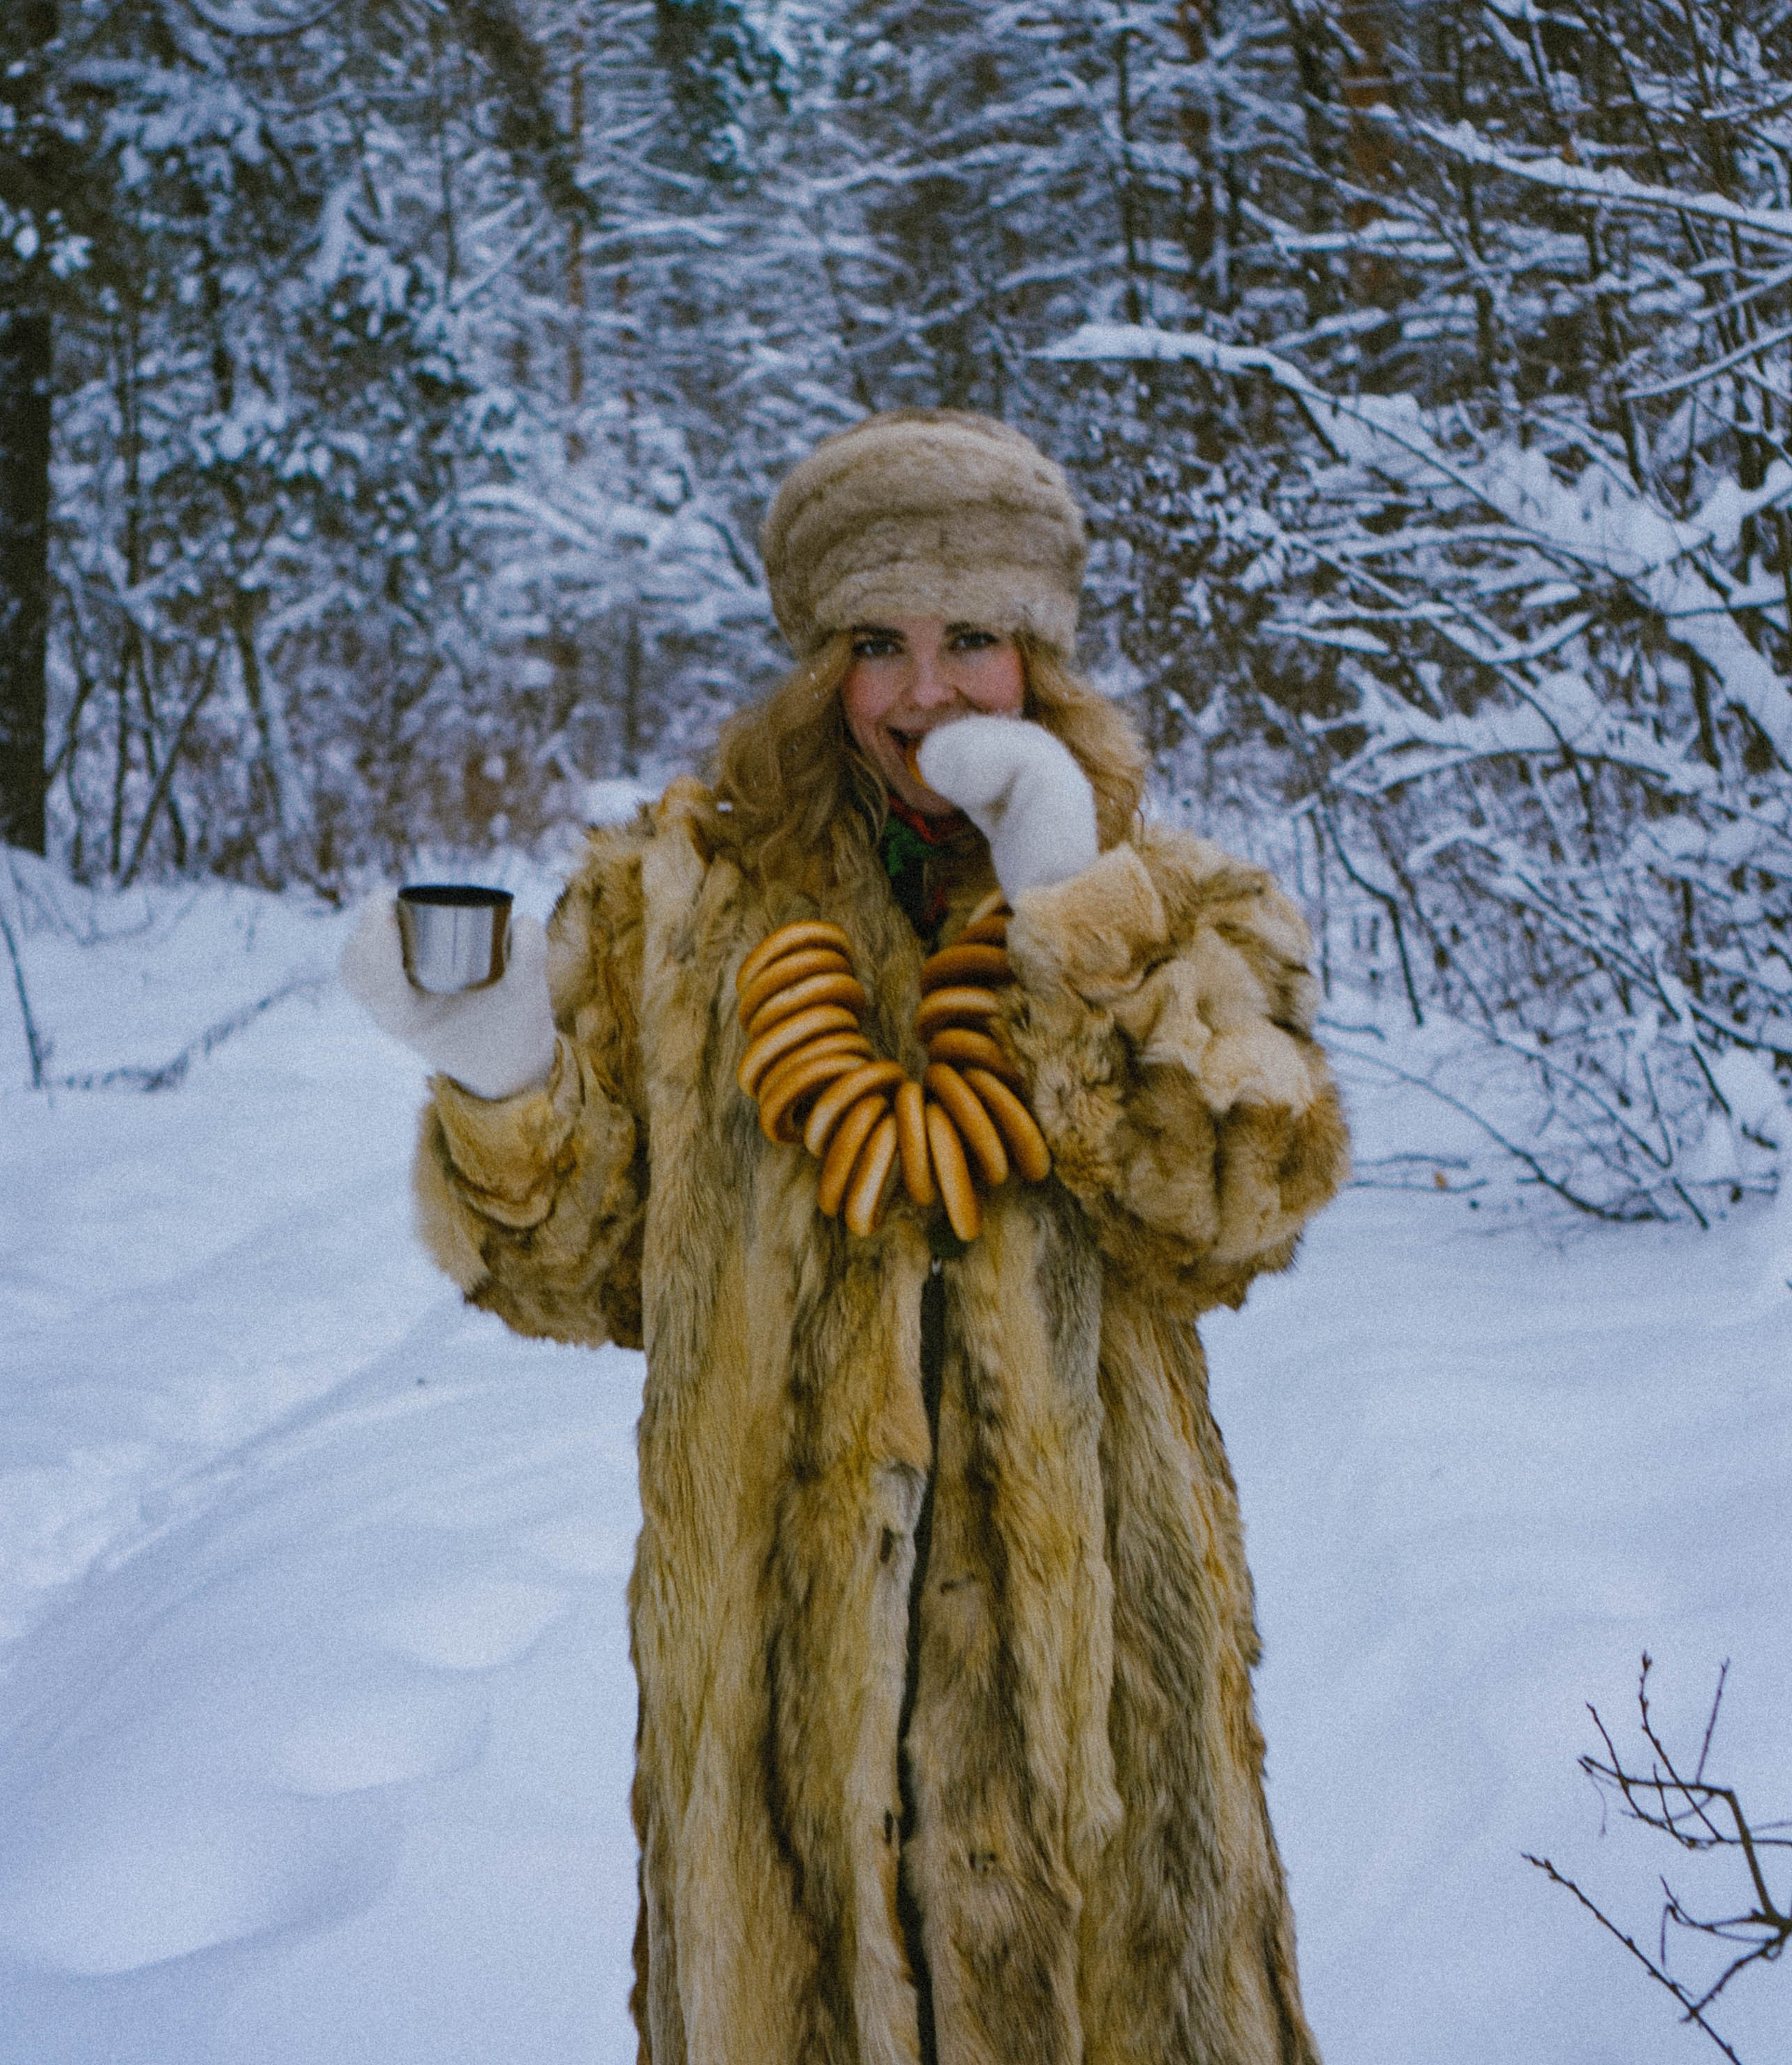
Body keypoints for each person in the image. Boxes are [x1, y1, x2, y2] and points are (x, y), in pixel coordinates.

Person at [342, 408, 1348, 2065]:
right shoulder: (677, 907)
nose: (926, 692)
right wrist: (502, 1069)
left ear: (1040, 657)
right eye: (877, 643)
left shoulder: (1170, 898)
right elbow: (577, 1275)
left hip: (1098, 1735)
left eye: (973, 641)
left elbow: (1232, 1204)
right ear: (818, 664)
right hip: (777, 1759)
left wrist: (1067, 921)